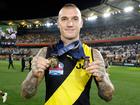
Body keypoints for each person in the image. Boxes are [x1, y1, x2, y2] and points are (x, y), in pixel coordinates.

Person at [21, 3, 114, 105]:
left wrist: (103, 79)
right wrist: (33, 76)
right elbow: (26, 94)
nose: (70, 24)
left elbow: (108, 97)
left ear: (81, 23)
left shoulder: (93, 54)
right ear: (58, 23)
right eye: (64, 19)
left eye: (75, 19)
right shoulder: (45, 52)